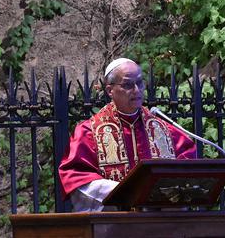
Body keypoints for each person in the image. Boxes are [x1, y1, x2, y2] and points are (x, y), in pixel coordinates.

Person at [58, 58, 197, 211]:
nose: (136, 90)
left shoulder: (164, 129)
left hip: (160, 223)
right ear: (110, 90)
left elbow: (188, 168)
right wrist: (127, 192)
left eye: (140, 83)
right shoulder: (89, 132)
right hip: (115, 224)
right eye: (128, 85)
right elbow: (77, 177)